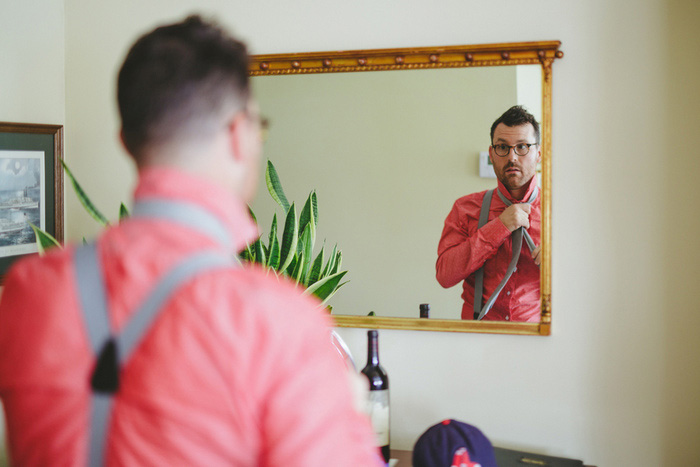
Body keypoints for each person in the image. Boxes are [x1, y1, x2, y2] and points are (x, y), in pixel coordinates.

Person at [0, 15, 381, 466]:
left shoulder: (29, 292)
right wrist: (347, 414)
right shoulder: (277, 322)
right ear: (240, 135)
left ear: (126, 142)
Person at [436, 105, 542, 322]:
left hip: (538, 338)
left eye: (522, 146)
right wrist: (498, 227)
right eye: (503, 147)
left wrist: (562, 264)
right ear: (492, 154)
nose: (512, 156)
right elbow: (445, 276)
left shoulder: (561, 211)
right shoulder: (465, 208)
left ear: (538, 154)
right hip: (477, 336)